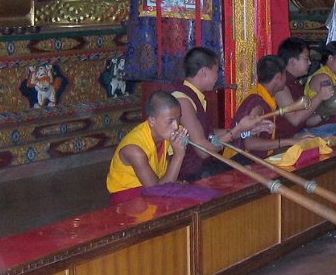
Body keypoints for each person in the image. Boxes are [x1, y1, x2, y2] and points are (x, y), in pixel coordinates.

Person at [172, 46, 272, 181]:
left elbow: (208, 134)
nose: (217, 76)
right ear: (204, 72)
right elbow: (203, 151)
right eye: (216, 71)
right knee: (248, 169)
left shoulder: (194, 96)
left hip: (204, 167)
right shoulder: (183, 100)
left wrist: (246, 131)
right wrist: (238, 130)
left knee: (250, 161)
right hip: (192, 173)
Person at [106, 90, 189, 204]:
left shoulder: (166, 134)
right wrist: (179, 155)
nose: (176, 126)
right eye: (170, 121)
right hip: (128, 199)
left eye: (178, 118)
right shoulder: (135, 150)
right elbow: (156, 192)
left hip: (154, 188)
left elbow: (164, 172)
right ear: (151, 121)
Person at [230, 55, 312, 158]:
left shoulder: (266, 97)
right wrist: (292, 141)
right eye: (285, 74)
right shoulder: (258, 105)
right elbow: (250, 144)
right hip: (241, 164)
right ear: (278, 77)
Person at [273, 38, 335, 137]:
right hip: (286, 140)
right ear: (292, 61)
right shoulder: (281, 85)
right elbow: (295, 120)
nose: (310, 63)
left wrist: (327, 112)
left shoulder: (295, 83)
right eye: (306, 59)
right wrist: (319, 96)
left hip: (301, 133)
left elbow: (306, 121)